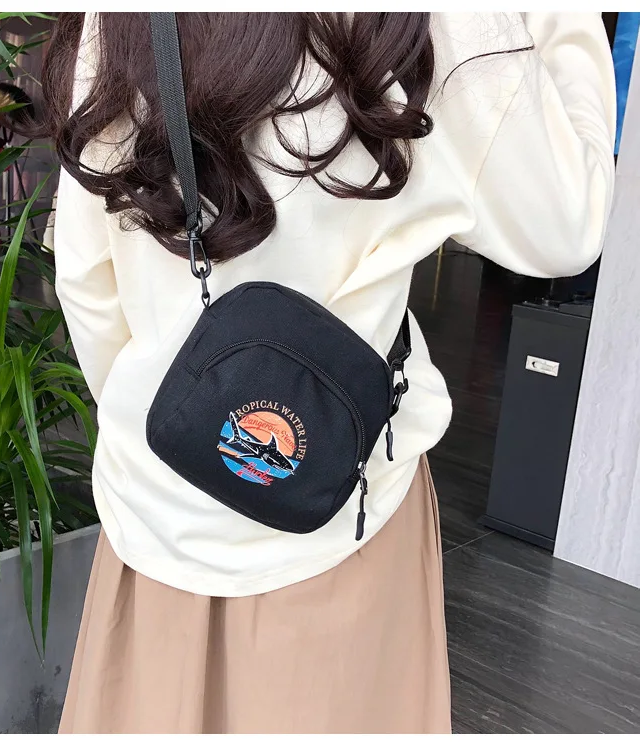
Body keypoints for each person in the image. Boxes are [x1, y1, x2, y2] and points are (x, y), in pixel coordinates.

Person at [46, 13, 616, 734]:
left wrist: (175, 426)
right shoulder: (446, 22)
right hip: (345, 514)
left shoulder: (118, 19)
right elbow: (564, 228)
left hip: (154, 518)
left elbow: (86, 279)